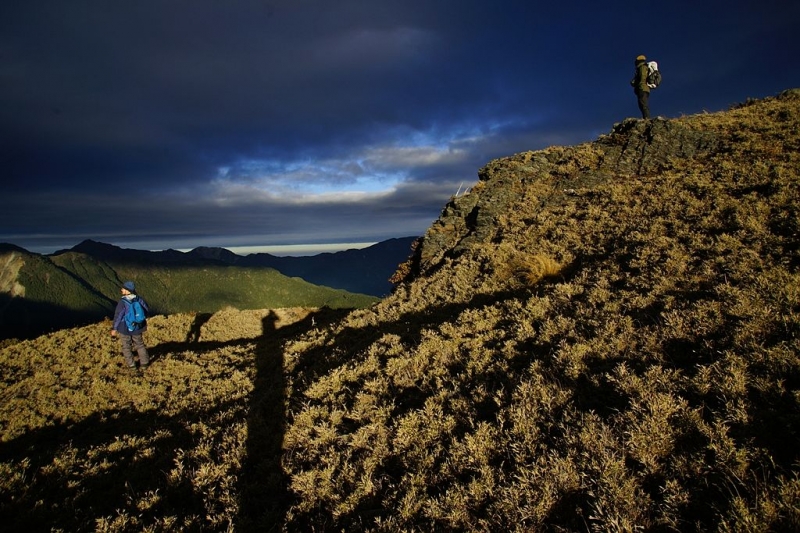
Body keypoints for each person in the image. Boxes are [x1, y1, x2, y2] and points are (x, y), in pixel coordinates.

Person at [111, 280, 151, 373]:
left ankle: (132, 365)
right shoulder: (139, 299)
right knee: (140, 345)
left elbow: (118, 316)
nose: (121, 289)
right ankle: (144, 363)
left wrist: (114, 328)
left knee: (126, 346)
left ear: (127, 290)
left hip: (125, 327)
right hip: (138, 326)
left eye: (123, 288)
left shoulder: (123, 302)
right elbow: (146, 310)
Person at [631, 54, 650, 119]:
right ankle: (646, 118)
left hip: (642, 88)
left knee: (643, 104)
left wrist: (638, 84)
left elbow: (642, 77)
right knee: (642, 104)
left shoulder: (642, 67)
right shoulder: (642, 67)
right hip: (644, 88)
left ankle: (647, 119)